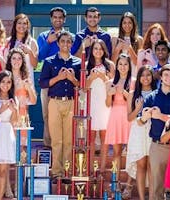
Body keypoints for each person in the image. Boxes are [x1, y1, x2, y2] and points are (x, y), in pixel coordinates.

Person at [39, 31, 81, 180]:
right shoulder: (50, 61)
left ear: (72, 44)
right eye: (62, 41)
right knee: (56, 139)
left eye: (68, 41)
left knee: (69, 140)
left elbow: (82, 85)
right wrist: (58, 78)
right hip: (55, 102)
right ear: (58, 43)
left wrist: (72, 79)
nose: (65, 44)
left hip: (71, 102)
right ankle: (57, 172)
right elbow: (42, 82)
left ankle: (68, 172)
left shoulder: (77, 62)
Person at [138, 64, 170, 200]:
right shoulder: (151, 97)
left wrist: (160, 116)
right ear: (161, 78)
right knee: (156, 187)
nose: (169, 78)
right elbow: (140, 121)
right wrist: (145, 117)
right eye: (166, 75)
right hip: (157, 146)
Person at [5, 48, 37, 197]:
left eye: (19, 58)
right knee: (7, 153)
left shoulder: (26, 77)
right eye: (14, 58)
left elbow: (34, 100)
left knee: (22, 153)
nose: (16, 61)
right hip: (8, 118)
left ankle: (19, 185)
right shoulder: (6, 77)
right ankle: (6, 186)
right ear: (10, 61)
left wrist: (28, 87)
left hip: (23, 118)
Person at [37, 7, 68, 148]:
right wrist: (48, 42)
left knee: (64, 118)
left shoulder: (68, 37)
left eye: (60, 17)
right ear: (51, 19)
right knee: (47, 115)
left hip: (65, 83)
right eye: (55, 17)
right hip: (48, 81)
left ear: (64, 19)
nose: (57, 19)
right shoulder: (43, 36)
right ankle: (48, 145)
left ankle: (62, 145)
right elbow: (40, 57)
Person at [125, 65, 156, 200]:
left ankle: (153, 197)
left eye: (148, 75)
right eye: (143, 75)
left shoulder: (157, 92)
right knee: (141, 165)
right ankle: (142, 198)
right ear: (139, 78)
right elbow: (129, 118)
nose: (145, 78)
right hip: (137, 130)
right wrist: (138, 108)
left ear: (152, 77)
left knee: (152, 165)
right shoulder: (133, 94)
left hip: (153, 129)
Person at [85, 39, 114, 174]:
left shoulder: (110, 65)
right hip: (91, 103)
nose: (98, 51)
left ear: (104, 51)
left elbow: (112, 85)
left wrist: (103, 77)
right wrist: (90, 78)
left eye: (100, 49)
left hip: (105, 104)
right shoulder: (86, 65)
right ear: (92, 51)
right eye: (95, 48)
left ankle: (102, 169)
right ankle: (90, 169)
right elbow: (83, 88)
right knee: (90, 138)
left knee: (104, 138)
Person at [0, 71, 18, 200]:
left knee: (3, 172)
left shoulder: (14, 99)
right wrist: (3, 108)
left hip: (7, 134)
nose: (6, 84)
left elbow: (14, 121)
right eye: (3, 81)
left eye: (8, 82)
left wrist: (14, 110)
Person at [105, 53, 132, 181]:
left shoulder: (134, 81)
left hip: (129, 118)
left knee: (131, 152)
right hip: (115, 117)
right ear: (116, 66)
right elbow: (108, 104)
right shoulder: (110, 82)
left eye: (125, 64)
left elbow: (134, 103)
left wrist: (124, 92)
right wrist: (110, 95)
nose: (123, 67)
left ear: (129, 66)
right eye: (120, 64)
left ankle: (129, 182)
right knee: (116, 152)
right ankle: (115, 182)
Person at [7, 13, 38, 82]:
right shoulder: (8, 42)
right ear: (15, 25)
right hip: (11, 81)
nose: (22, 26)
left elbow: (35, 65)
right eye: (19, 23)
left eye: (24, 23)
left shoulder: (32, 42)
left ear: (27, 26)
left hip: (27, 81)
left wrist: (30, 52)